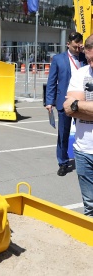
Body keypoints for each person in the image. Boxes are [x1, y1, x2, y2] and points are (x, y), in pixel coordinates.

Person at [45, 32, 87, 176]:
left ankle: (84, 159)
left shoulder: (85, 58)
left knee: (84, 132)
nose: (77, 49)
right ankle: (63, 162)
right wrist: (49, 101)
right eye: (75, 47)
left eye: (79, 46)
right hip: (64, 102)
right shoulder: (58, 59)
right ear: (68, 44)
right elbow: (52, 81)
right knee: (63, 133)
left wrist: (85, 49)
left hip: (82, 102)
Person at [63, 33, 93, 217]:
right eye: (89, 60)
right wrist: (76, 106)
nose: (91, 65)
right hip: (83, 151)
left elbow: (74, 106)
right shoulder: (81, 73)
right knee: (90, 206)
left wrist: (78, 105)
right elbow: (68, 108)